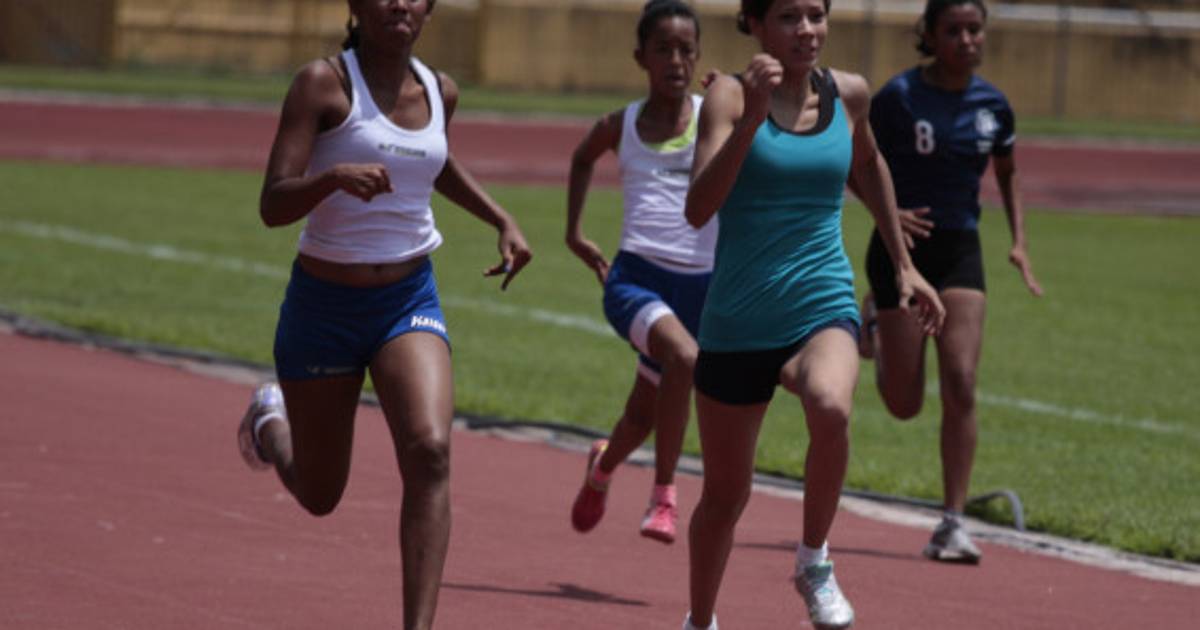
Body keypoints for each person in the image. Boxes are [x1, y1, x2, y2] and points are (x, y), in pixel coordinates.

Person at [234, 1, 532, 628]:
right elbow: (272, 204)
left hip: (406, 299)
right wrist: (332, 178)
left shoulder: (440, 90)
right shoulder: (321, 84)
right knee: (319, 494)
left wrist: (500, 217)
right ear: (355, 5)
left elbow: (433, 162)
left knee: (430, 451)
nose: (400, 3)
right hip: (324, 308)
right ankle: (270, 424)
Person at [680, 1, 946, 628]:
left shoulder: (849, 94)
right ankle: (701, 619)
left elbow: (869, 164)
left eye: (816, 15)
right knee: (724, 497)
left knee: (830, 405)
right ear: (755, 25)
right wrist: (750, 119)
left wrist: (904, 264)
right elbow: (697, 209)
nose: (807, 30)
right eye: (789, 17)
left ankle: (813, 560)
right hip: (739, 318)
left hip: (820, 300)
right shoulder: (725, 97)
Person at [858, 0, 1042, 564]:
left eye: (974, 29)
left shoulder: (994, 106)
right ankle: (876, 321)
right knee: (904, 403)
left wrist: (1018, 240)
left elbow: (1008, 173)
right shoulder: (899, 97)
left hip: (961, 251)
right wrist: (886, 214)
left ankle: (952, 523)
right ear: (931, 36)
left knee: (961, 381)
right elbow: (852, 160)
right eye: (954, 30)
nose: (967, 40)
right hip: (901, 252)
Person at [566, 0, 714, 545]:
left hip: (701, 289)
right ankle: (664, 497)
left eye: (686, 50)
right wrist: (574, 232)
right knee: (685, 359)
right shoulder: (621, 124)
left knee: (641, 417)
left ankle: (602, 468)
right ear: (641, 58)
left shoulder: (713, 118)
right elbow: (582, 157)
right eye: (663, 49)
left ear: (698, 57)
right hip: (636, 281)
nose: (676, 60)